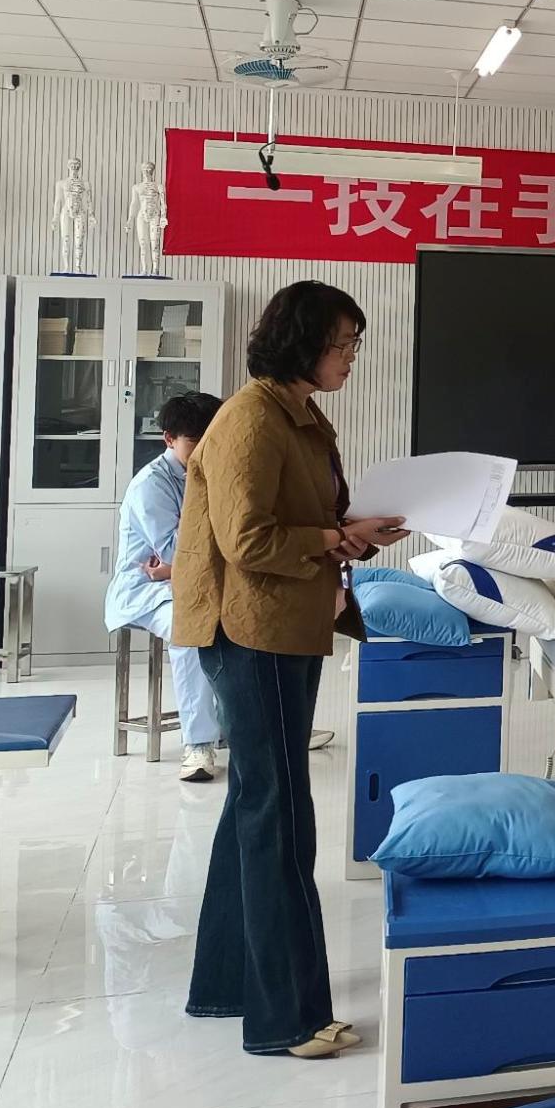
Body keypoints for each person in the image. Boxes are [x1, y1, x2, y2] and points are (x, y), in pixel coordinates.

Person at [175, 281, 405, 1060]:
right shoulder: (252, 417)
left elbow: (304, 521)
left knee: (256, 801)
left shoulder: (298, 413)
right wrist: (334, 538)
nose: (350, 356)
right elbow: (247, 539)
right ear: (301, 342)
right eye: (342, 343)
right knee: (279, 814)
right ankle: (287, 1019)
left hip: (282, 625)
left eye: (353, 343)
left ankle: (228, 984)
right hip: (252, 631)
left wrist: (351, 531)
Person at [105, 391, 228, 781]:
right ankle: (199, 743)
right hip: (147, 589)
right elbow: (178, 550)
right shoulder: (151, 485)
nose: (204, 449)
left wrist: (181, 565)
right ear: (169, 439)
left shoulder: (218, 471)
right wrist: (177, 567)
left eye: (211, 439)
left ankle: (250, 727)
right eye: (195, 441)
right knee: (190, 630)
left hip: (195, 580)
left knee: (254, 617)